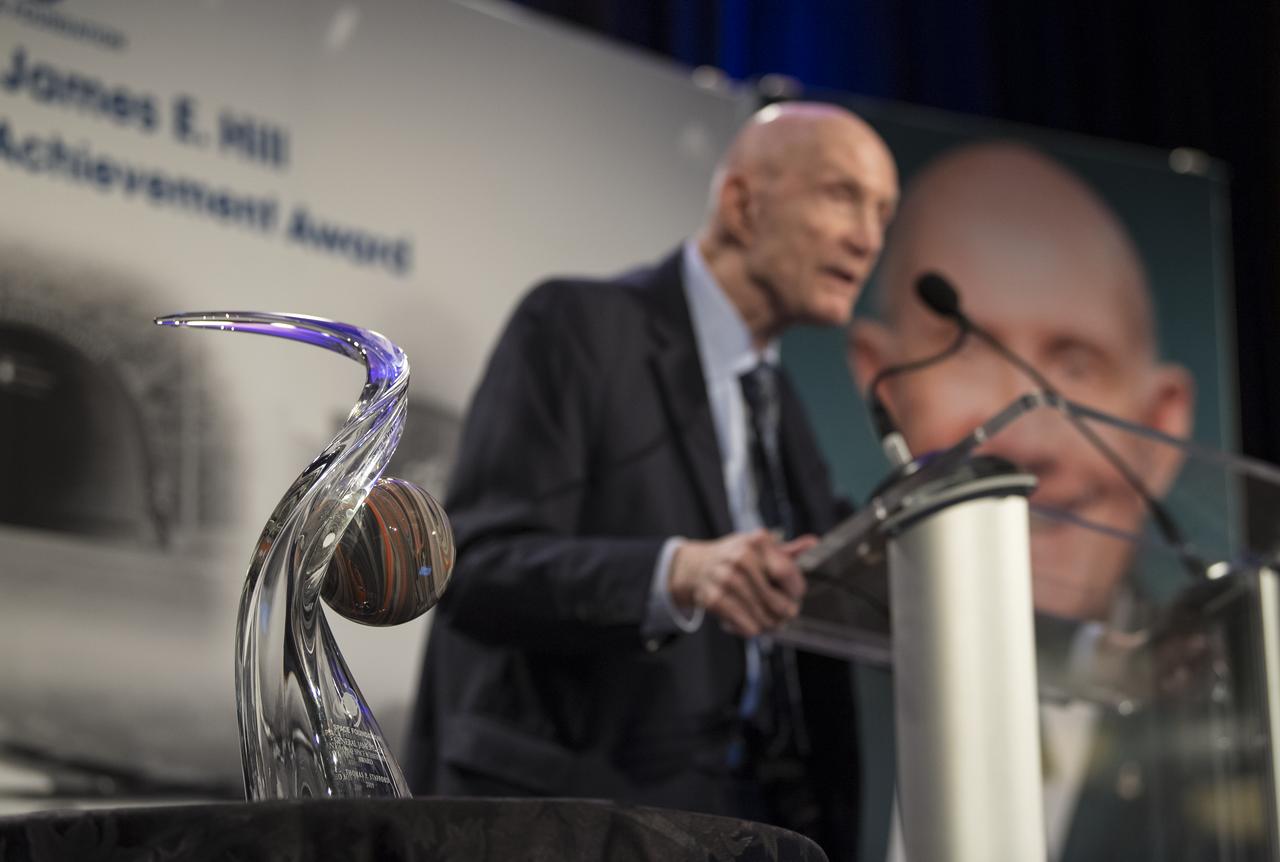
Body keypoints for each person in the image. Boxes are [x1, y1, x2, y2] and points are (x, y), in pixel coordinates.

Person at [406, 102, 898, 860]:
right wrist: (676, 573)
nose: (868, 239)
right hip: (584, 821)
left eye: (883, 214)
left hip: (764, 827)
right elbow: (473, 563)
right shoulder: (576, 326)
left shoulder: (780, 404)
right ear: (742, 204)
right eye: (842, 196)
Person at [848, 141, 1195, 861]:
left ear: (1160, 427)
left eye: (1075, 363)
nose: (1029, 441)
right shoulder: (816, 689)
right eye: (967, 351)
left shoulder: (1226, 716)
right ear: (883, 380)